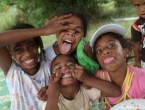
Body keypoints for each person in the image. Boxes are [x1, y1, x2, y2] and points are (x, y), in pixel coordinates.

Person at [0, 13, 74, 110]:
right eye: (19, 50)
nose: (27, 53)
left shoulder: (50, 66)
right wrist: (43, 30)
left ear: (38, 46)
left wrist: (50, 88)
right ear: (11, 54)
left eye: (31, 46)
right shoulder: (12, 72)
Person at [90, 24, 145, 110]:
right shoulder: (97, 78)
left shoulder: (141, 78)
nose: (105, 51)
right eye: (99, 50)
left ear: (126, 51)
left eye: (111, 45)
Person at [43, 54, 121, 110]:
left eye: (70, 65)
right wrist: (52, 96)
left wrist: (86, 79)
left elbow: (115, 92)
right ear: (52, 78)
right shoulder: (51, 99)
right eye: (58, 68)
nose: (65, 68)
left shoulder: (85, 89)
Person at [130, 0, 145, 69]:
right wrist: (137, 61)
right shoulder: (137, 26)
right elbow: (136, 44)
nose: (142, 9)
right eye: (137, 5)